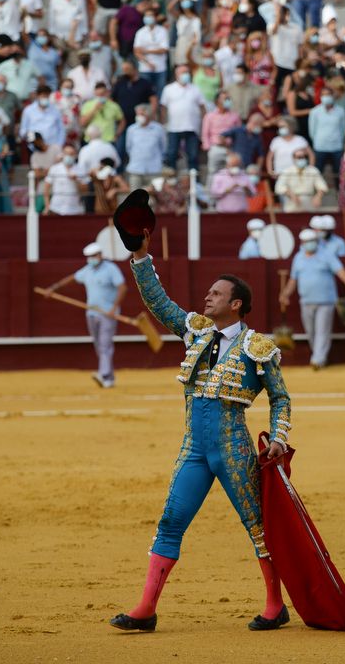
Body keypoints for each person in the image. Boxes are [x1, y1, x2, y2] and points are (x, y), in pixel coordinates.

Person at [111, 230, 291, 633]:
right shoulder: (195, 330)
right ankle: (145, 609)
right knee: (171, 519)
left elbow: (280, 398)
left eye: (216, 294)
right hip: (194, 448)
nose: (207, 298)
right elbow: (158, 302)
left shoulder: (257, 347)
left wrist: (278, 436)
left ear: (236, 303)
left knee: (258, 528)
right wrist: (141, 256)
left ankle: (275, 604)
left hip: (233, 449)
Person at [43, 243, 127, 389]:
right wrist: (53, 288)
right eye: (89, 257)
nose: (91, 259)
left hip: (108, 314)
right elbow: (72, 278)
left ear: (100, 255)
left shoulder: (111, 268)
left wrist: (114, 308)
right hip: (92, 313)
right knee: (99, 345)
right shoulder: (88, 270)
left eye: (93, 256)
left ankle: (104, 376)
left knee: (105, 345)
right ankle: (109, 377)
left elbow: (122, 287)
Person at [280, 228, 345, 370]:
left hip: (326, 301)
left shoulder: (327, 254)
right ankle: (319, 357)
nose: (311, 244)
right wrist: (285, 294)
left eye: (313, 241)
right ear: (302, 243)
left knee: (322, 331)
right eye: (308, 241)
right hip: (306, 301)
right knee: (311, 333)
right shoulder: (298, 257)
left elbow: (340, 271)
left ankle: (317, 360)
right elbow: (293, 280)